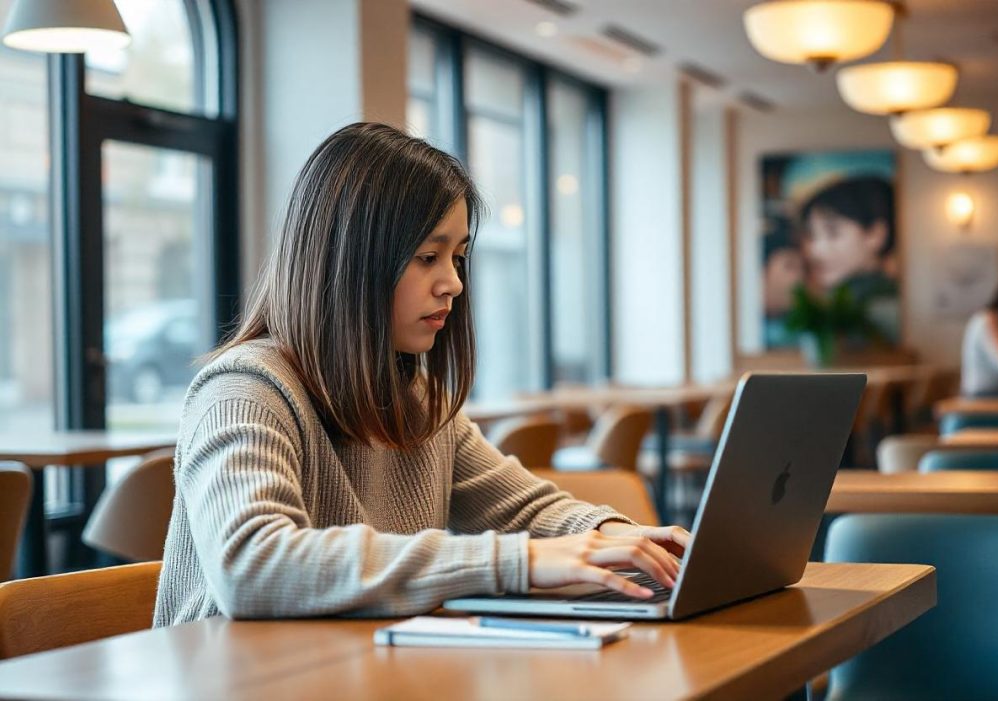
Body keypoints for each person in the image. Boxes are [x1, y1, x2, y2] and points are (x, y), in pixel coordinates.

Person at [154, 123, 689, 626]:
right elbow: (253, 564)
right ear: (348, 262)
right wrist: (517, 561)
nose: (453, 283)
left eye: (457, 257)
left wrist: (624, 537)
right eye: (428, 257)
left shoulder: (414, 398)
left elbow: (521, 507)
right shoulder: (243, 390)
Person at [798, 176, 900, 342]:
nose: (815, 250)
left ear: (876, 233)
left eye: (832, 232)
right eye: (811, 234)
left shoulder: (885, 308)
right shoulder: (830, 304)